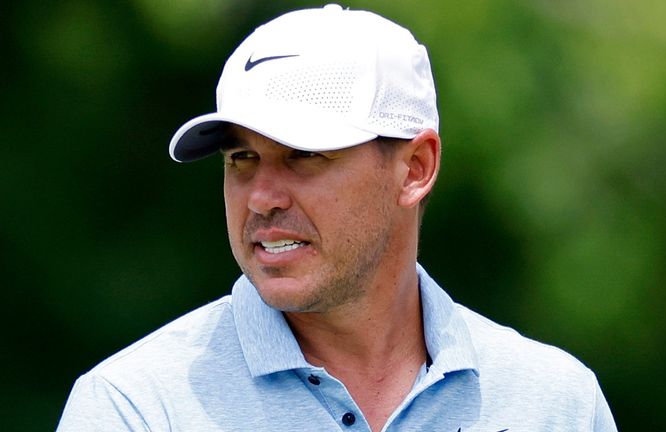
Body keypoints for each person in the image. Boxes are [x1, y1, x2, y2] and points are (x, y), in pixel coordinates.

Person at [57, 4, 618, 431]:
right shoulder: (134, 409)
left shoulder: (557, 404)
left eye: (303, 155)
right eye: (242, 159)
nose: (261, 197)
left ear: (415, 168)